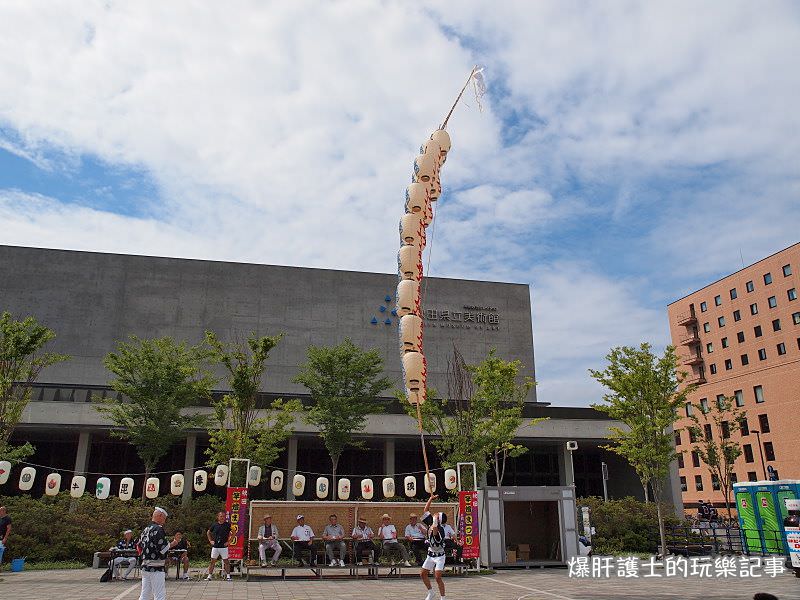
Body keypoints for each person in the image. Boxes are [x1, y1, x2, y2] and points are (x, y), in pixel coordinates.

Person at [138, 506, 182, 600]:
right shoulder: (158, 529)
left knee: (145, 593)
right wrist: (173, 543)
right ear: (160, 516)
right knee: (159, 594)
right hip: (156, 567)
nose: (164, 522)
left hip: (145, 565)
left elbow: (140, 545)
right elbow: (162, 549)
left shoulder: (145, 529)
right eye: (164, 519)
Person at [420, 494, 447, 600]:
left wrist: (435, 520)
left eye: (437, 515)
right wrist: (430, 499)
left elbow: (434, 530)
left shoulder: (440, 529)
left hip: (440, 556)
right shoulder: (431, 521)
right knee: (423, 574)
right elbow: (425, 510)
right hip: (431, 554)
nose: (435, 514)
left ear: (439, 520)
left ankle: (443, 598)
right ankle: (431, 593)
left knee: (437, 577)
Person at [205, 510, 232, 581]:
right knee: (212, 561)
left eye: (223, 516)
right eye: (221, 516)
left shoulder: (227, 525)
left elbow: (234, 532)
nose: (222, 517)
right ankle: (209, 576)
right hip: (215, 546)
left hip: (224, 546)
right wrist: (210, 541)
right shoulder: (214, 525)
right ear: (218, 517)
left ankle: (228, 576)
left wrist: (229, 541)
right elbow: (208, 532)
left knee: (226, 561)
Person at [0, 506, 11, 572]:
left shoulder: (7, 518)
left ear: (4, 511)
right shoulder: (0, 518)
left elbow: (9, 529)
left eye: (0, 511)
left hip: (2, 538)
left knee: (0, 553)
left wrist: (5, 538)